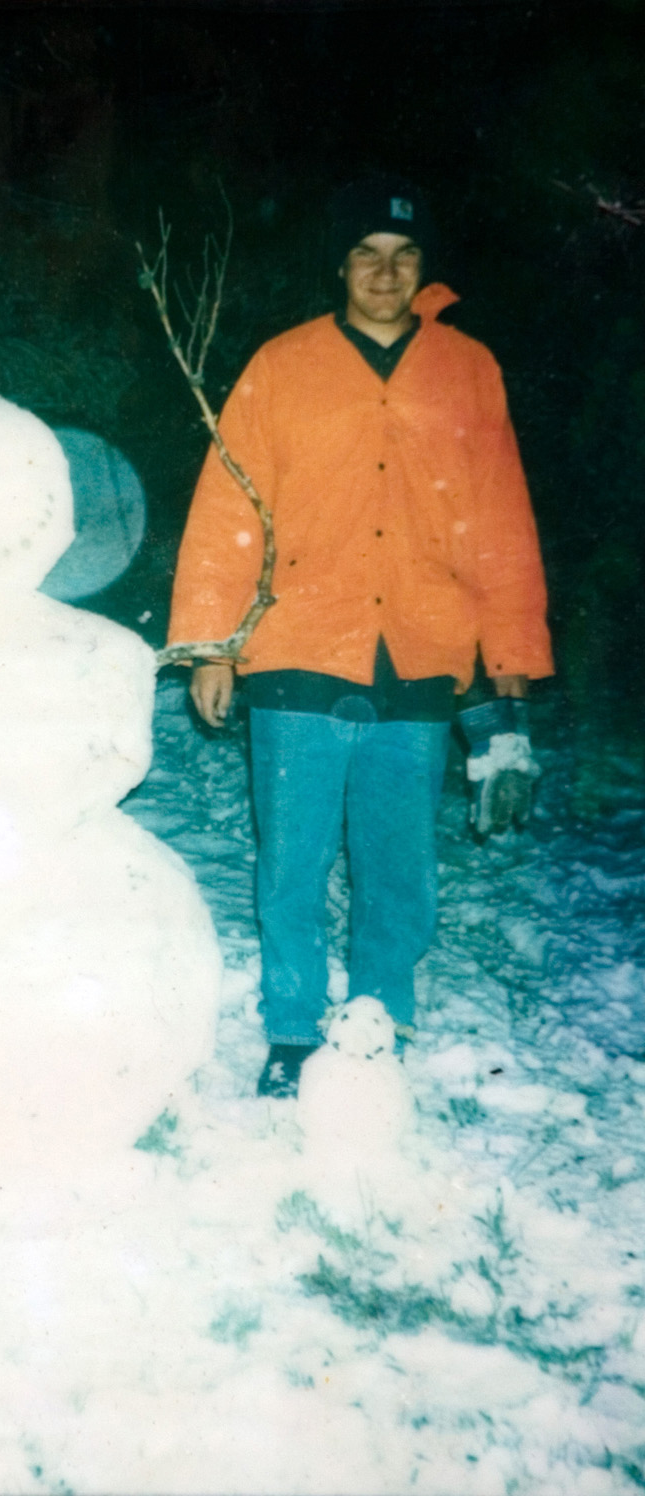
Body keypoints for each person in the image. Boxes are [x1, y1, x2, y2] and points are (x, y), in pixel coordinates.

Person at [166, 178, 554, 1098]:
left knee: (399, 868)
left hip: (421, 655)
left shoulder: (468, 370)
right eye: (367, 254)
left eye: (405, 255)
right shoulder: (282, 365)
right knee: (292, 862)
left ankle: (381, 1019)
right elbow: (229, 509)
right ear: (340, 266)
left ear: (426, 269)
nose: (386, 272)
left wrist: (508, 681)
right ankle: (293, 1029)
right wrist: (214, 644)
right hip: (297, 647)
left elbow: (502, 524)